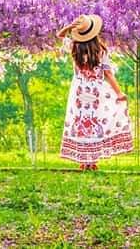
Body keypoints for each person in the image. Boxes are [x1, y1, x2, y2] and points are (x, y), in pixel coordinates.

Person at [56, 14, 133, 170]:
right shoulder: (100, 50)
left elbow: (60, 35)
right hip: (96, 91)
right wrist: (118, 93)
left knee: (80, 121)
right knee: (94, 121)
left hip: (78, 90)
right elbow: (108, 73)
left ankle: (84, 161)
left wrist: (71, 27)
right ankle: (92, 161)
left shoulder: (74, 48)